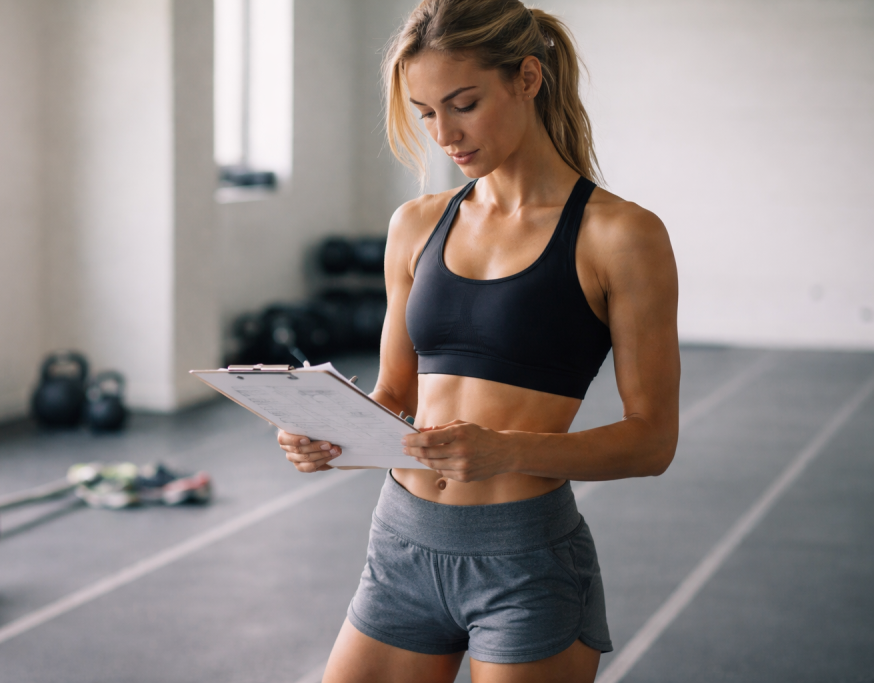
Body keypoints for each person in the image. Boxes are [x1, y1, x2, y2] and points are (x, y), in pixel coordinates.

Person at [278, 1, 680, 681]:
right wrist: (331, 430)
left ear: (527, 78)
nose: (444, 133)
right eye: (426, 111)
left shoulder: (621, 236)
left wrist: (506, 450)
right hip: (401, 543)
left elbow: (651, 440)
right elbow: (395, 393)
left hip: (522, 558)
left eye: (463, 104)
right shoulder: (416, 225)